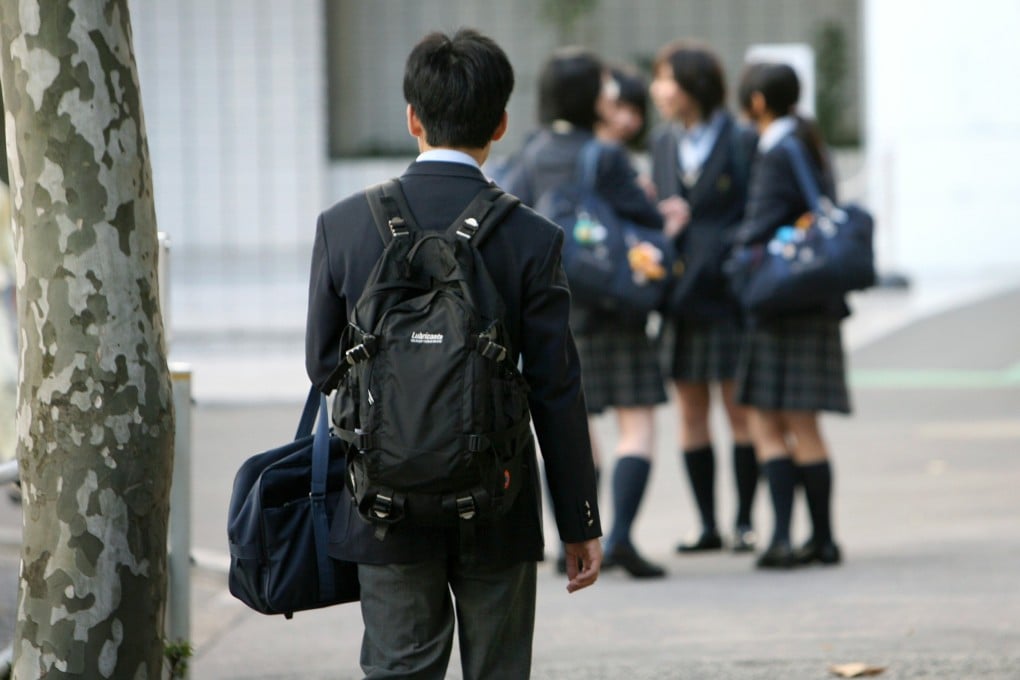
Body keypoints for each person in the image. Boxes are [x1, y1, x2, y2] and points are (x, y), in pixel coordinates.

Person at [305, 29, 603, 679]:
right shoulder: (532, 237)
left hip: (382, 500)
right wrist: (579, 518)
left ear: (412, 117)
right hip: (498, 496)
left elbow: (323, 366)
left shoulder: (344, 225)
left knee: (399, 669)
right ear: (500, 123)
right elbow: (557, 389)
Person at [502, 47, 668, 579]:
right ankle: (618, 539)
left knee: (569, 431)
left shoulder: (529, 154)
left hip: (555, 311)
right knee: (636, 426)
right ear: (590, 96)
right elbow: (646, 220)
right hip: (615, 308)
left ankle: (569, 540)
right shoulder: (606, 154)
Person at [732, 61, 847, 570]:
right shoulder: (808, 143)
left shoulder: (776, 150)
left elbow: (756, 227)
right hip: (813, 299)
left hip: (779, 304)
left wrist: (731, 258)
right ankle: (823, 539)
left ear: (757, 101)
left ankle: (781, 537)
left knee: (764, 419)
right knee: (806, 424)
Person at [648, 41, 761, 554]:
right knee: (691, 408)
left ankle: (744, 521)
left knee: (739, 408)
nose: (659, 90)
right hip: (680, 293)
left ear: (692, 84)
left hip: (727, 292)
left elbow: (754, 210)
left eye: (666, 79)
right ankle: (707, 524)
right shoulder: (663, 143)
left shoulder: (739, 138)